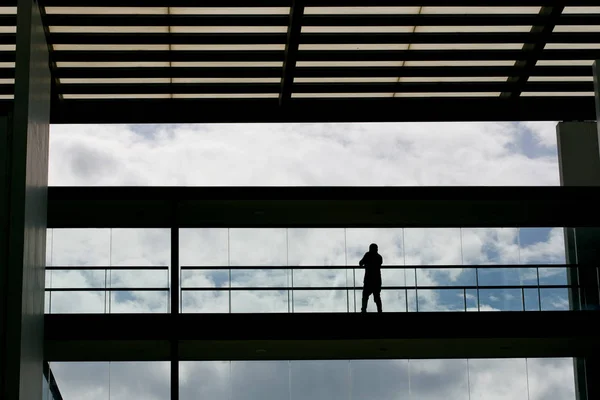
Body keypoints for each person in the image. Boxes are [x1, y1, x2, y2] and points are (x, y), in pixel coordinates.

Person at [360, 243, 383, 313]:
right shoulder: (379, 257)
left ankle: (364, 310)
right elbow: (380, 263)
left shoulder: (368, 255)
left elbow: (361, 263)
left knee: (365, 296)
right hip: (377, 280)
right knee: (377, 297)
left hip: (368, 279)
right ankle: (380, 311)